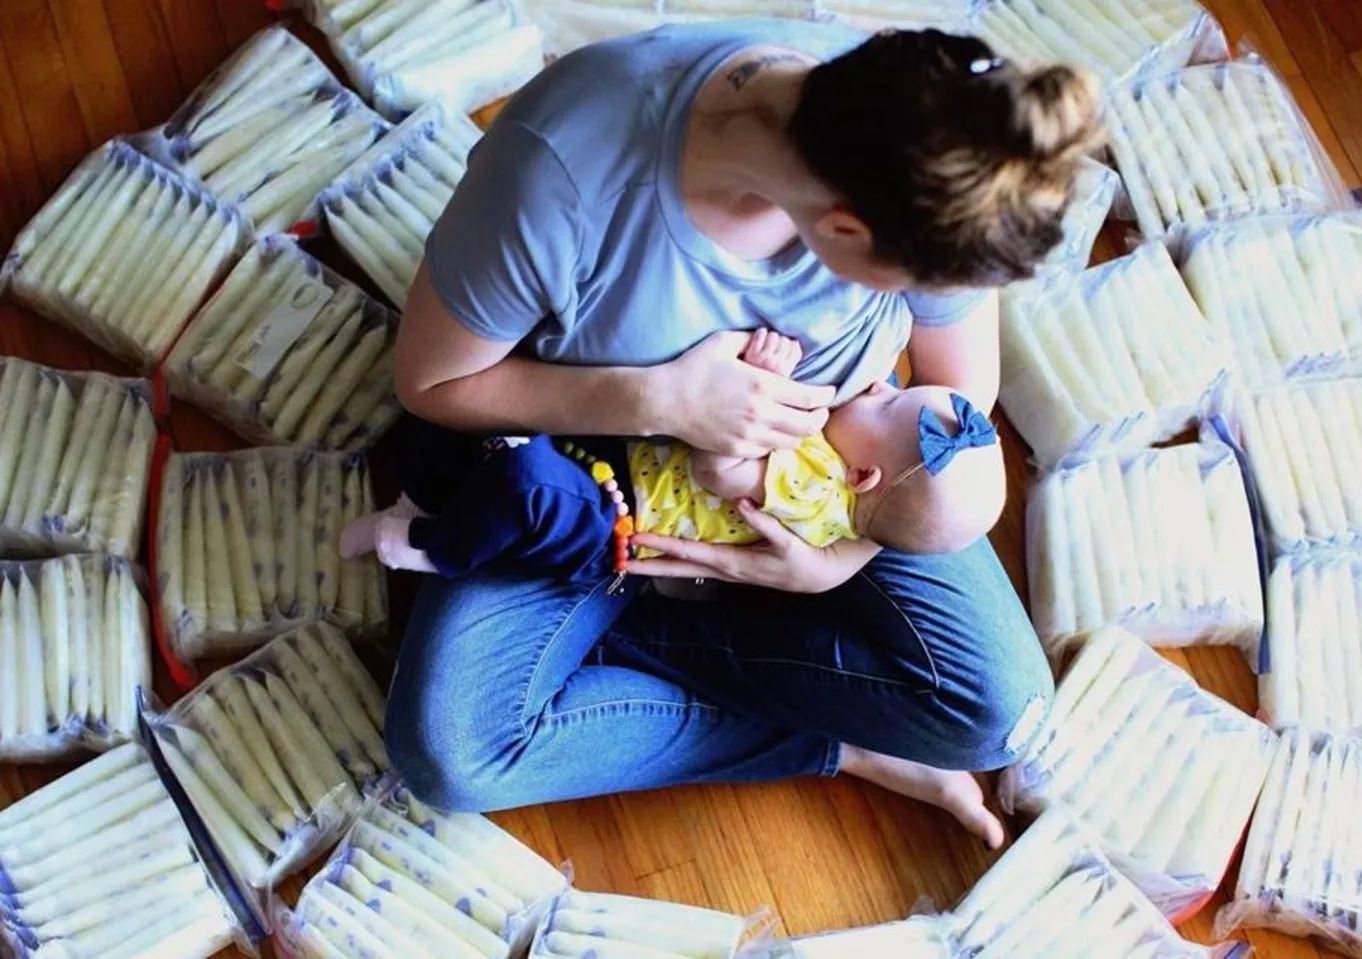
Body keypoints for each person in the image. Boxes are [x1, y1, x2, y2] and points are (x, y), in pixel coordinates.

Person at [386, 21, 1103, 849]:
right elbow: (431, 383)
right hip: (592, 466)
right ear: (836, 234)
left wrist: (843, 550)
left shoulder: (923, 153)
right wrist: (655, 399)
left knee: (1000, 716)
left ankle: (634, 630)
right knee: (452, 754)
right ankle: (828, 734)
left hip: (852, 464)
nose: (929, 307)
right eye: (914, 290)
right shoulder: (560, 173)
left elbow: (959, 391)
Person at [342, 328, 1003, 575]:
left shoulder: (813, 487)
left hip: (615, 515)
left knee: (528, 487)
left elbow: (719, 467)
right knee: (472, 427)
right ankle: (424, 488)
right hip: (621, 453)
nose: (881, 383)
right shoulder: (844, 451)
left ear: (862, 474)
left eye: (889, 399)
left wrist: (766, 376)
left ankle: (433, 545)